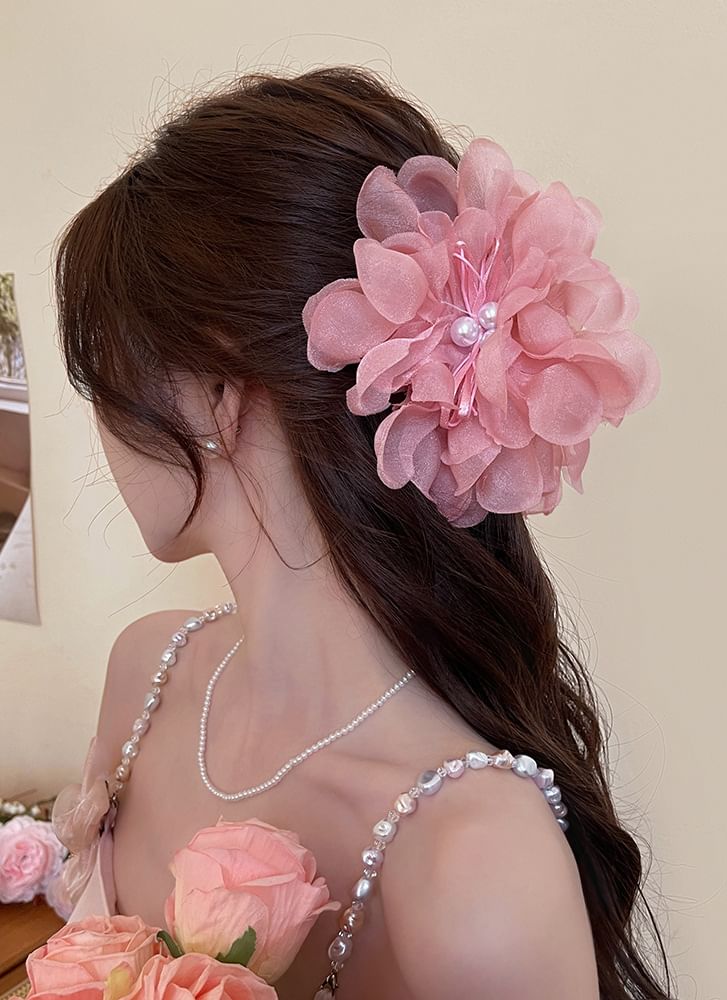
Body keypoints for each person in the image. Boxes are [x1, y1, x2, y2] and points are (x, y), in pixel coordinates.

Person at [49, 65, 674, 999]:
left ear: (218, 394)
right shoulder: (147, 675)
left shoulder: (475, 868)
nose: (102, 429)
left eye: (107, 377)